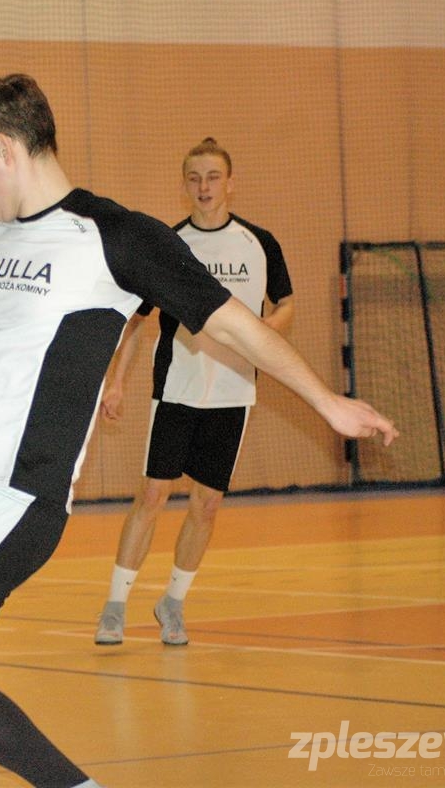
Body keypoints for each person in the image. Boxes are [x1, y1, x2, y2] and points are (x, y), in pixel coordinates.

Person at [0, 74, 397, 788]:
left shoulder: (114, 237)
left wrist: (325, 401)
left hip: (0, 495)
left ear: (7, 149)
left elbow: (232, 323)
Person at [93, 138, 294, 647]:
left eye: (212, 177)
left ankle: (173, 604)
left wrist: (262, 336)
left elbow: (287, 303)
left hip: (233, 392)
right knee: (154, 494)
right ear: (184, 184)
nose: (204, 187)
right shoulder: (168, 244)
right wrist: (116, 382)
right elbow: (137, 322)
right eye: (194, 178)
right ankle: (115, 606)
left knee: (206, 505)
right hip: (176, 388)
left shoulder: (259, 243)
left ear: (230, 182)